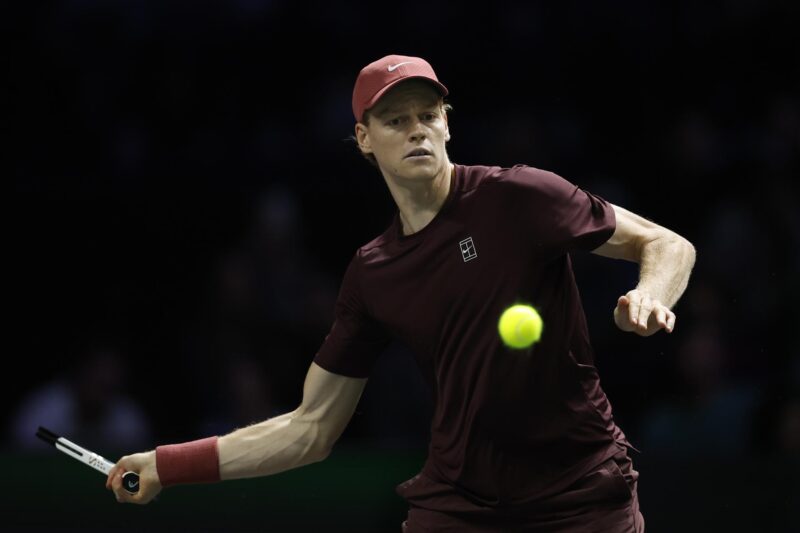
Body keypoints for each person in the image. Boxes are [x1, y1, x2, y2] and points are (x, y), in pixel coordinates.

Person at [107, 54, 696, 532]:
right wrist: (167, 464)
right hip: (461, 506)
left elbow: (667, 244)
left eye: (428, 114)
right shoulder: (374, 272)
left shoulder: (518, 197)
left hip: (582, 495)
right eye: (395, 120)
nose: (417, 128)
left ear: (447, 123)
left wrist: (652, 294)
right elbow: (311, 429)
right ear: (364, 139)